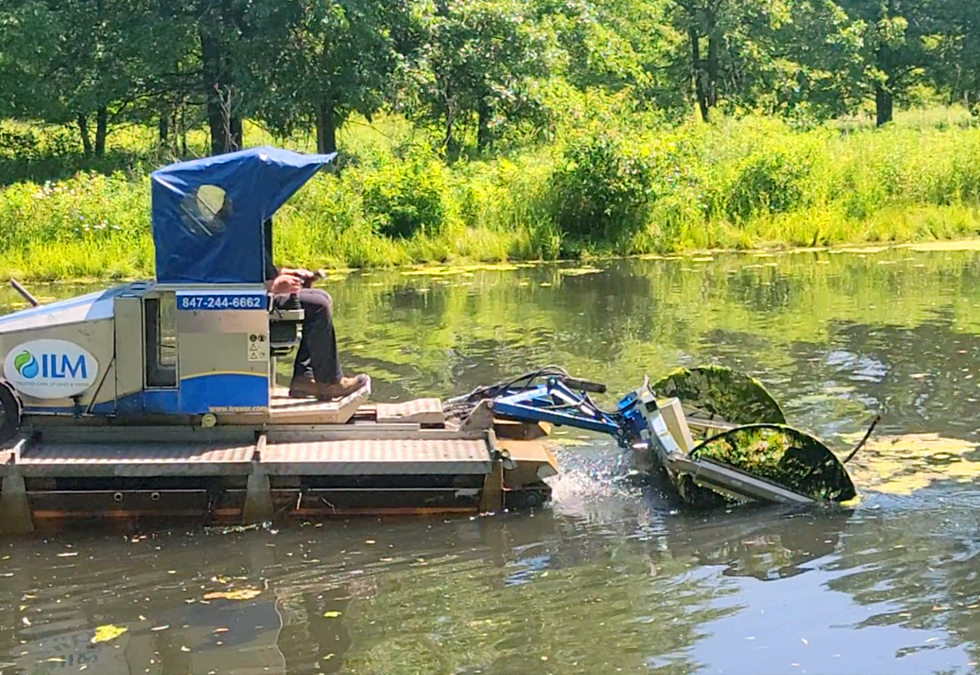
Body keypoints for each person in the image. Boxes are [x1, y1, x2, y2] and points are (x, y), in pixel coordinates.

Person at [263, 220, 367, 400]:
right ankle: (329, 382)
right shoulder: (233, 238)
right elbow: (232, 279)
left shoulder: (238, 234)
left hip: (260, 292)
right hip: (250, 300)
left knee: (322, 298)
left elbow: (260, 270)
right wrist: (273, 285)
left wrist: (289, 273)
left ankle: (305, 378)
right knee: (318, 305)